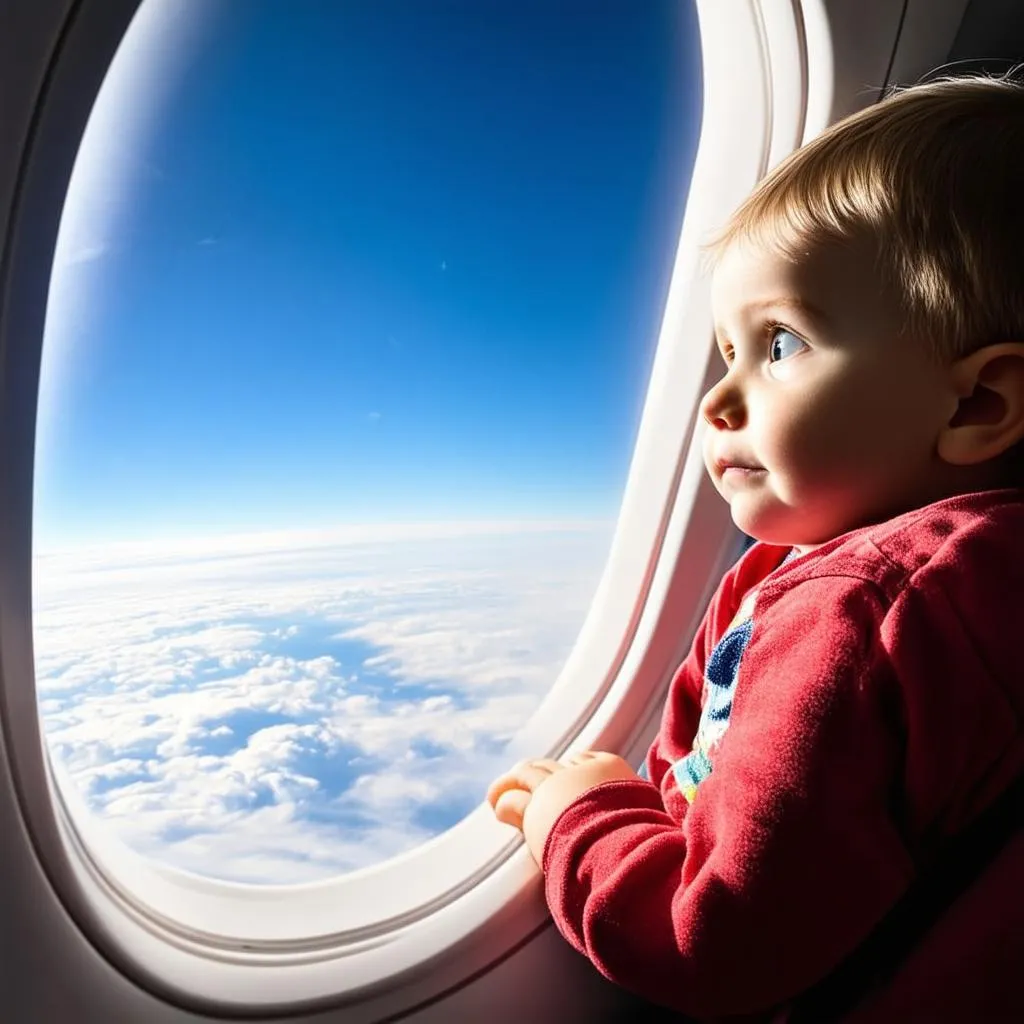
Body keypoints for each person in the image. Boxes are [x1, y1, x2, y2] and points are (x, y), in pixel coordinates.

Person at [486, 74, 1024, 1022]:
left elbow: (716, 944)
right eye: (725, 352)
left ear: (977, 404)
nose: (715, 399)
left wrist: (584, 815)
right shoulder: (934, 578)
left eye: (779, 343)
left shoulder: (859, 613)